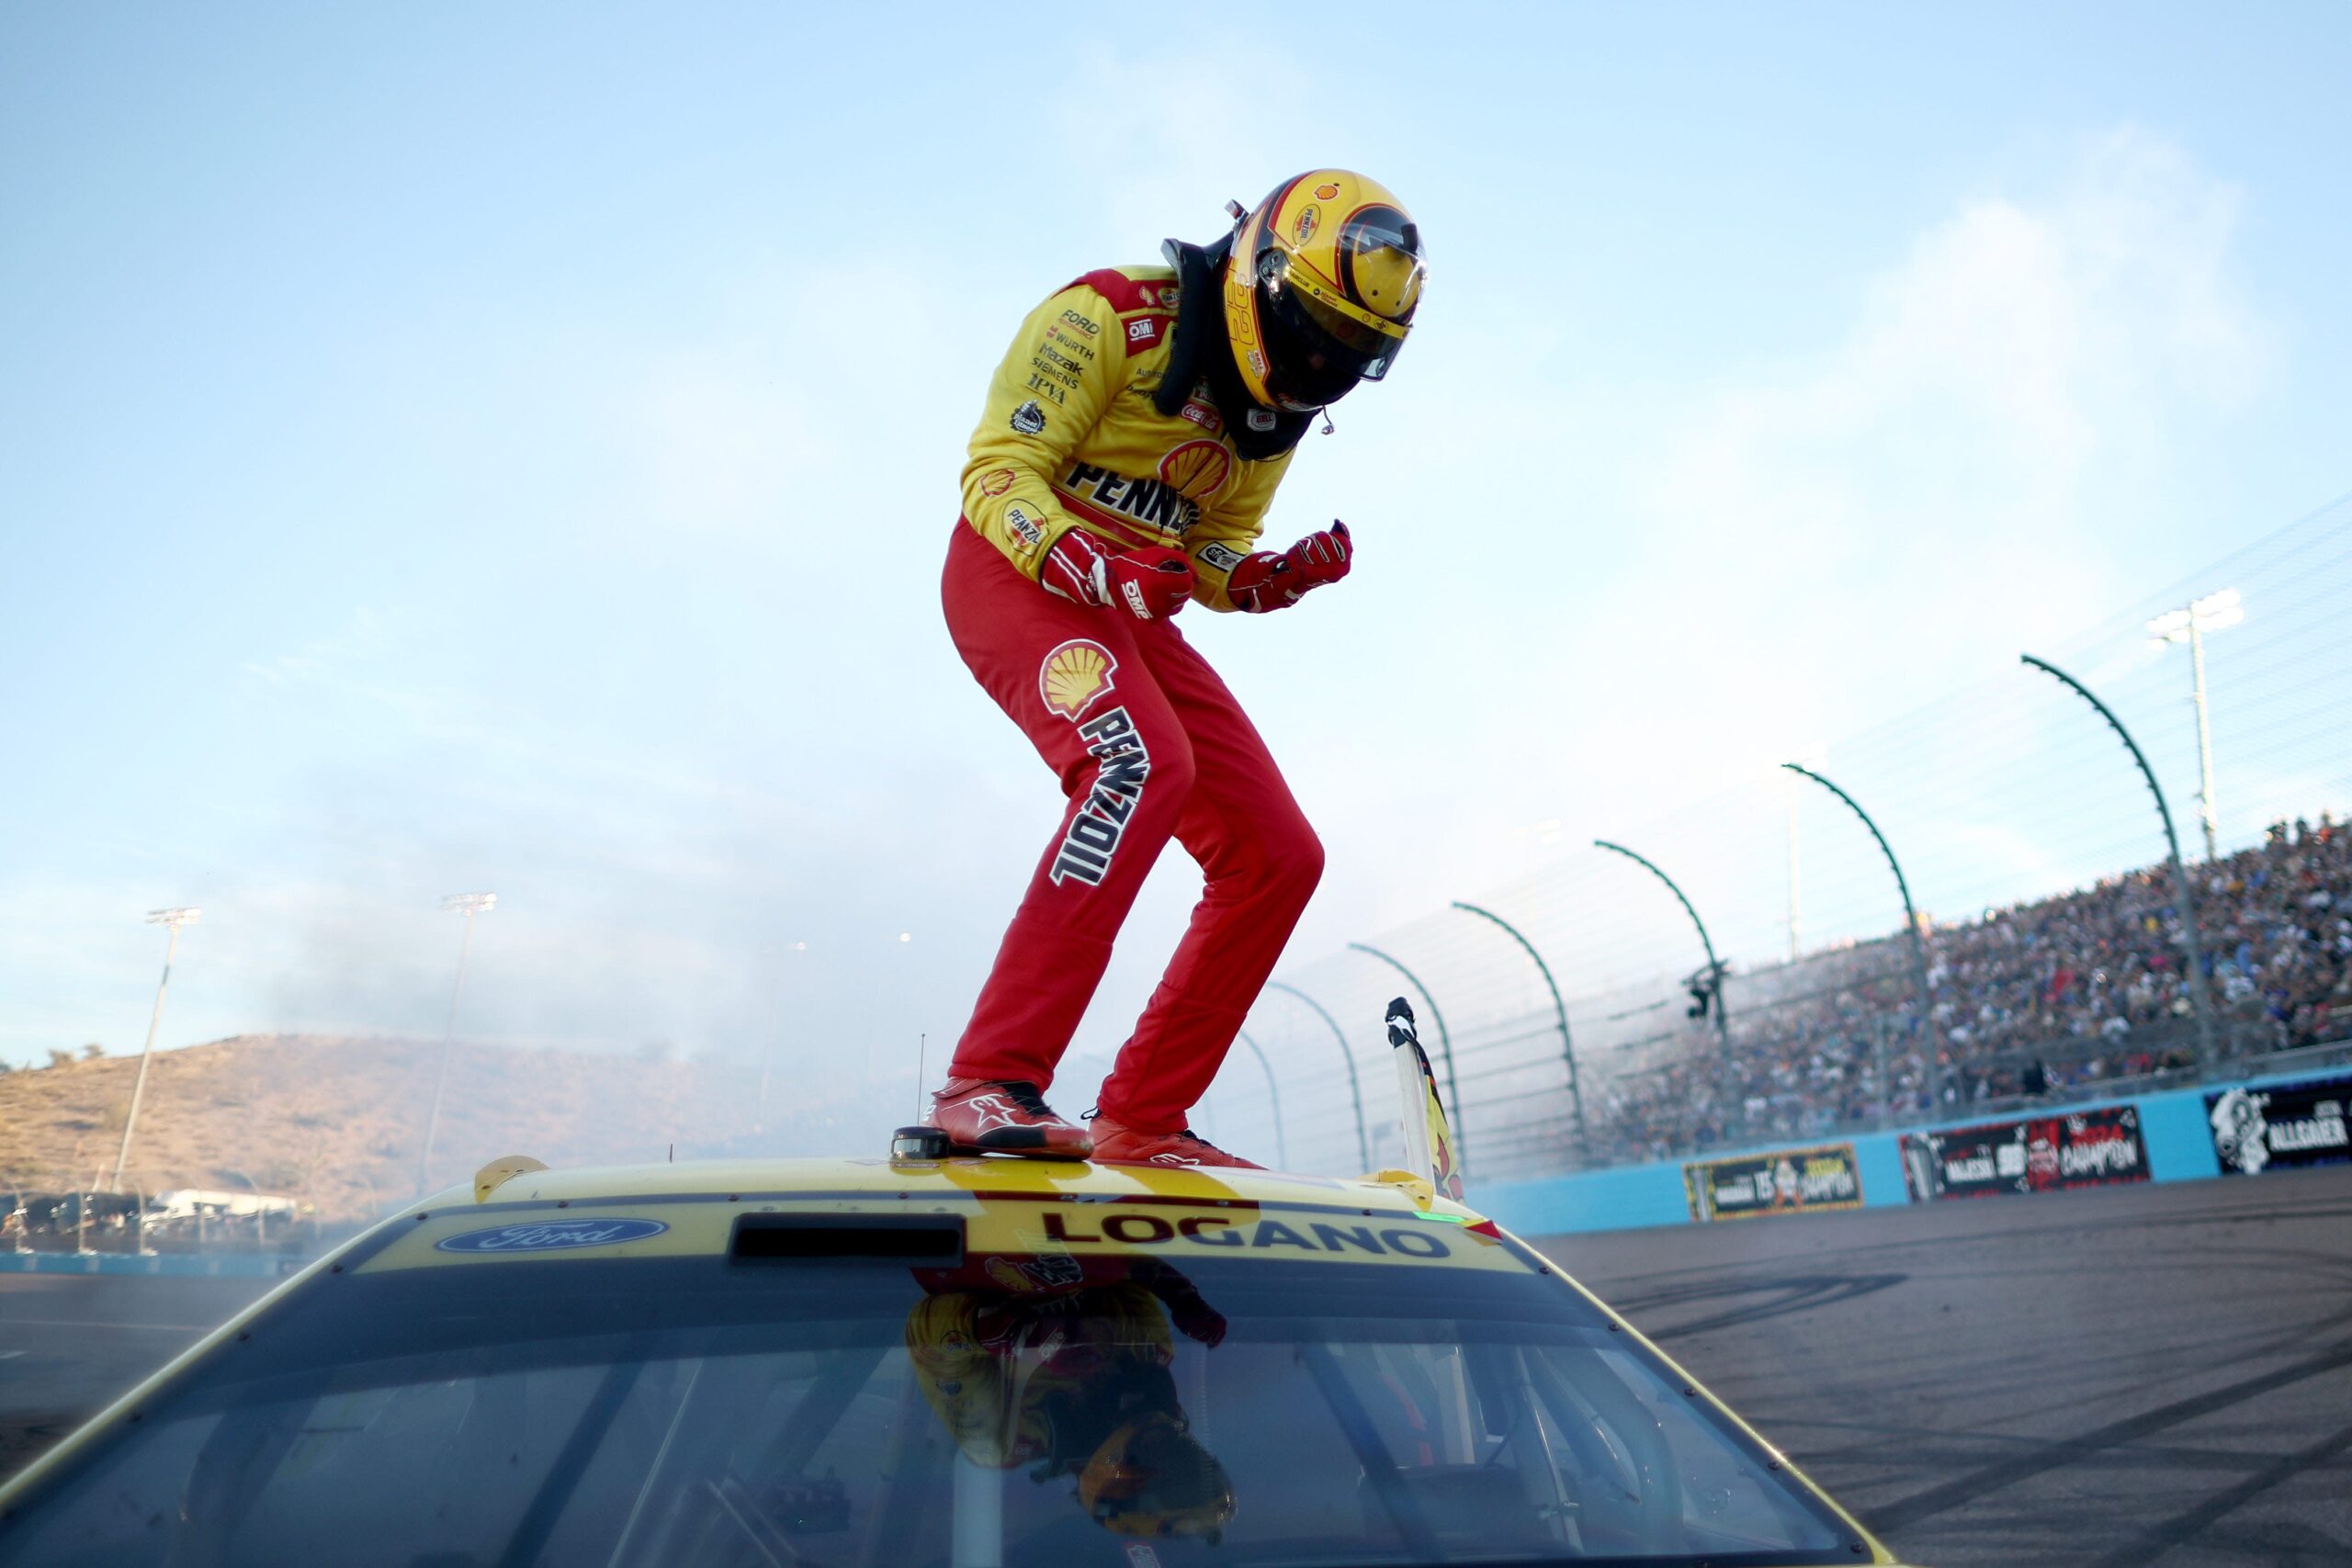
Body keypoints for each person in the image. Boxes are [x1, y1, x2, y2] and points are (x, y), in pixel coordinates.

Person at [930, 171, 1427, 1168]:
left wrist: (1267, 578)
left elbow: (1202, 555)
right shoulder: (1105, 313)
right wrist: (1093, 564)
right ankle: (986, 1082)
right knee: (1140, 764)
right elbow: (997, 472)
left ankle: (1143, 1117)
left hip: (1131, 610)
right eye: (1314, 332)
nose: (1318, 364)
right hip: (1015, 574)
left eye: (1350, 355)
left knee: (1279, 854)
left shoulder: (1273, 412)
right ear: (1260, 277)